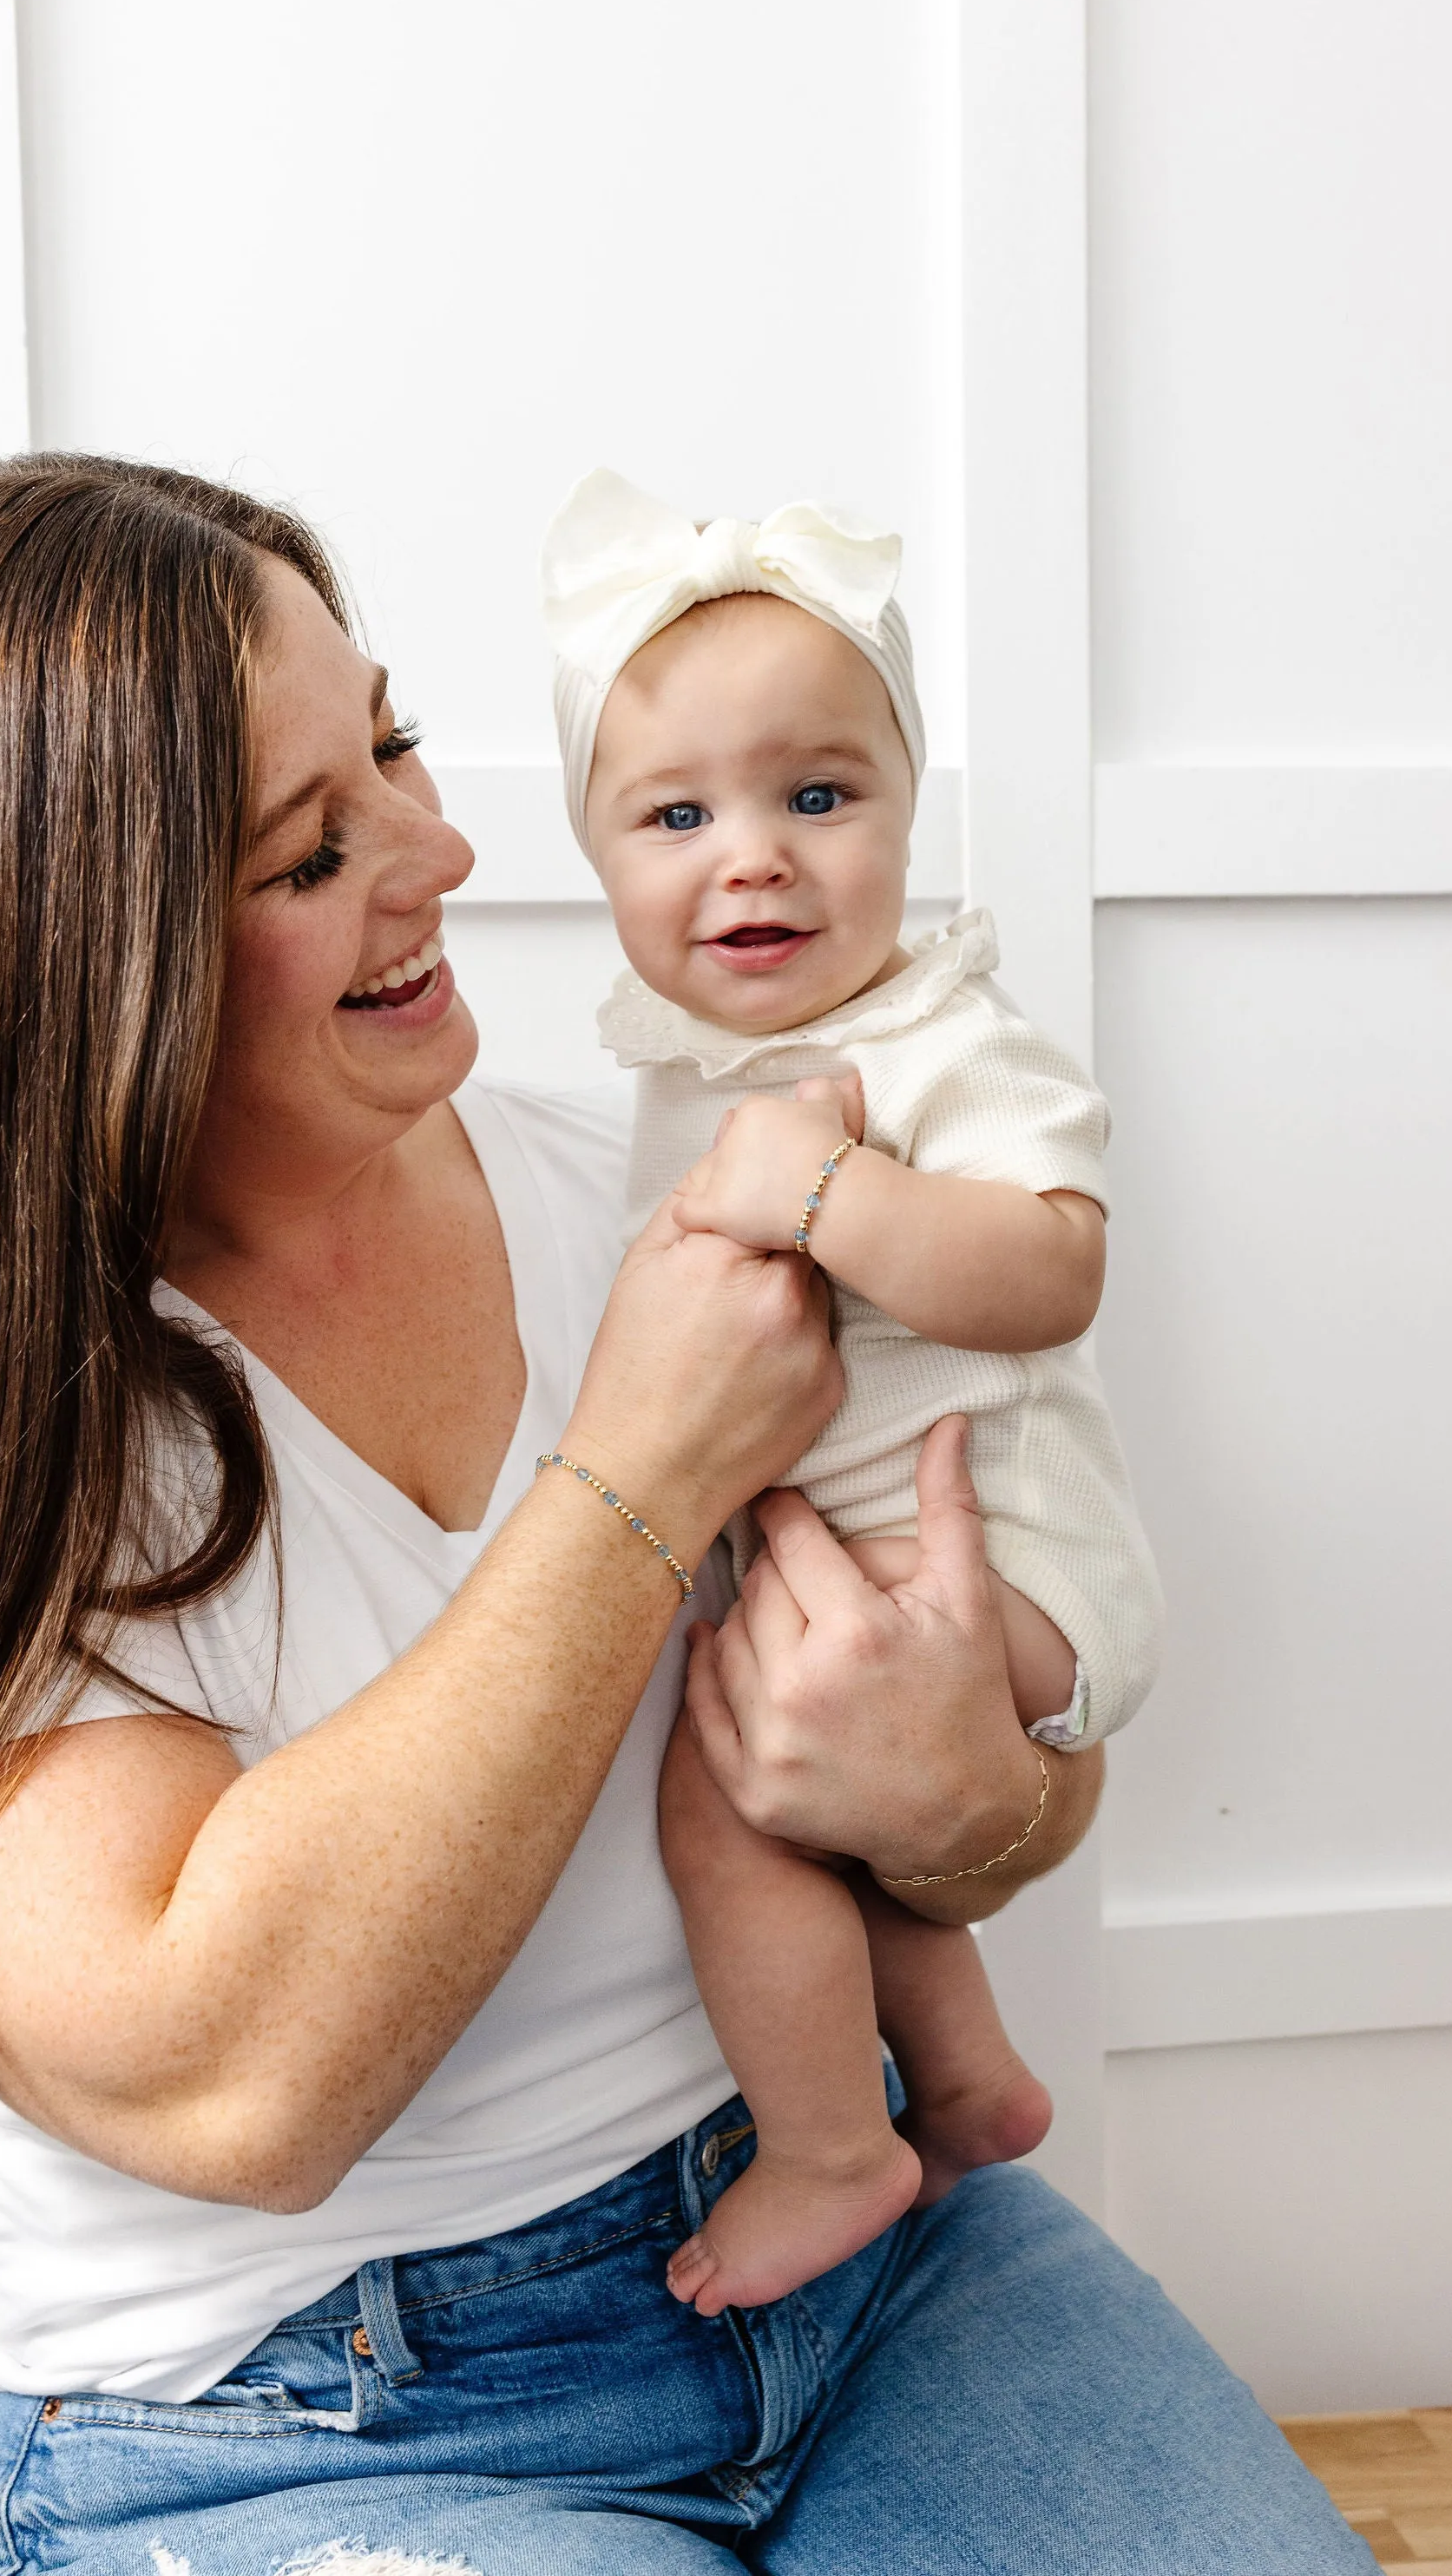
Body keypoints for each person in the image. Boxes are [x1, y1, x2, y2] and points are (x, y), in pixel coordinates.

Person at [0, 457, 1370, 2573]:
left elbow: (1013, 1782)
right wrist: (637, 1470)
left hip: (846, 2240)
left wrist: (964, 1786)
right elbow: (242, 2089)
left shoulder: (670, 1171)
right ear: (76, 967)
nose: (447, 847)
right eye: (317, 846)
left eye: (395, 739)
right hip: (293, 2420)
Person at [539, 467, 1164, 2317]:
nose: (754, 854)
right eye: (676, 811)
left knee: (724, 1806)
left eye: (818, 795)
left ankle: (829, 2144)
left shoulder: (941, 1035)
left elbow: (1058, 1260)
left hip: (1003, 1571)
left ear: (906, 814)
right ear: (594, 855)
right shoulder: (677, 1064)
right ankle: (963, 2077)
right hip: (858, 1582)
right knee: (812, 1806)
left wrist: (828, 1193)